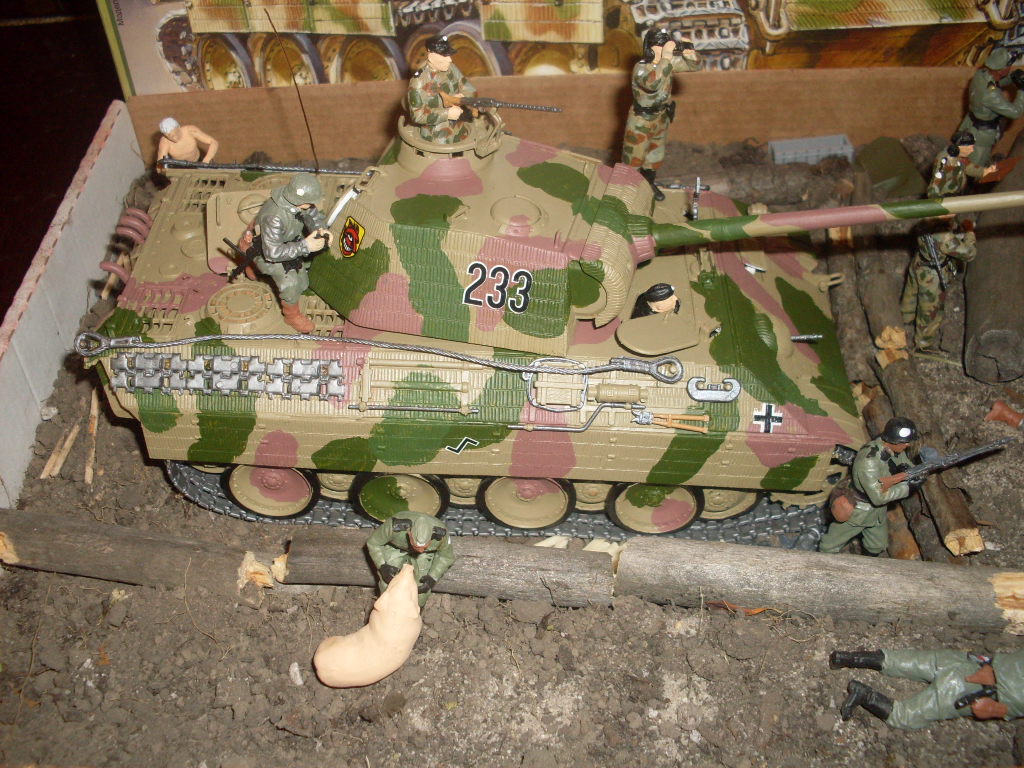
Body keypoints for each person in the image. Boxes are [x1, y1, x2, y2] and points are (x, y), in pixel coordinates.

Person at [830, 648, 1024, 729]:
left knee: (898, 660)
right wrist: (998, 710)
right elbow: (993, 708)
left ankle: (846, 658)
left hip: (964, 662)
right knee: (905, 716)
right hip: (963, 691)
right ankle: (864, 694)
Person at [244, 173, 331, 334]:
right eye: (309, 202)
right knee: (290, 285)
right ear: (298, 200)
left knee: (303, 283)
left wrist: (321, 231)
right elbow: (272, 252)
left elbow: (314, 216)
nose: (311, 205)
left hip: (288, 243)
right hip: (265, 250)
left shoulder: (301, 204)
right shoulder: (274, 217)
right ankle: (291, 316)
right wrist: (305, 246)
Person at [819, 417, 919, 556]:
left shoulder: (891, 449)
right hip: (858, 511)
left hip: (877, 513)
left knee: (877, 545)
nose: (907, 445)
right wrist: (907, 487)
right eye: (904, 442)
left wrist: (915, 472)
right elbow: (879, 497)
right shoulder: (869, 461)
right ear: (893, 440)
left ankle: (867, 564)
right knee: (830, 545)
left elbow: (904, 463)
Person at [621, 27, 701, 201]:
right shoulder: (641, 68)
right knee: (633, 159)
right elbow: (652, 83)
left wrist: (690, 55)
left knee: (655, 156)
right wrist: (665, 58)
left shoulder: (667, 63)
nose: (665, 48)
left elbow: (694, 66)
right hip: (641, 121)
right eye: (662, 45)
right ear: (651, 47)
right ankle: (626, 192)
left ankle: (648, 183)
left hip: (660, 116)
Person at [900, 217, 976, 355]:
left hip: (919, 263)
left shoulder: (922, 224)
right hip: (932, 276)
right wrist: (969, 233)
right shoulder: (945, 237)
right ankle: (923, 345)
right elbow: (969, 254)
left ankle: (906, 317)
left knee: (911, 293)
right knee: (931, 312)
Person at [366, 512, 455, 607]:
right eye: (417, 546)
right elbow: (373, 543)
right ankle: (385, 607)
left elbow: (446, 557)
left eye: (424, 546)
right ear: (409, 534)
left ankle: (417, 609)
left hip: (426, 555)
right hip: (395, 548)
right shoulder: (394, 526)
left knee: (422, 588)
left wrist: (433, 577)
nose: (420, 550)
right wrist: (382, 565)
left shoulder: (441, 535)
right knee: (387, 580)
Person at [957, 47, 1024, 167]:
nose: (1010, 67)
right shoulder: (991, 95)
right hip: (982, 135)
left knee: (977, 161)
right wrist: (1022, 90)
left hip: (972, 124)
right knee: (976, 167)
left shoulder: (981, 75)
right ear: (1002, 70)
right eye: (1009, 66)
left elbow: (996, 84)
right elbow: (1015, 112)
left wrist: (1011, 78)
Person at [407, 35, 478, 145]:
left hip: (459, 127)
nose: (449, 59)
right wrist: (447, 114)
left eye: (448, 55)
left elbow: (468, 87)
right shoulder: (419, 81)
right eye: (444, 55)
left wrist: (463, 98)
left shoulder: (451, 68)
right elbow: (417, 115)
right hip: (436, 135)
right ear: (431, 56)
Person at [926, 131, 996, 197]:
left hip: (956, 192)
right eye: (969, 148)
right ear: (958, 148)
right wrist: (936, 196)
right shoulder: (944, 159)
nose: (972, 150)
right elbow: (937, 179)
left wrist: (986, 171)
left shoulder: (961, 158)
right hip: (945, 194)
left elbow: (970, 168)